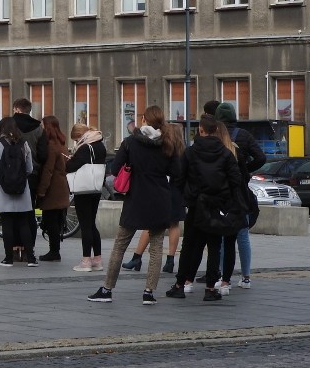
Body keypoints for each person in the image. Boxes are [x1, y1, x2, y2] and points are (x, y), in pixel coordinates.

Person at [87, 106, 183, 304]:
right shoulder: (168, 144)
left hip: (135, 198)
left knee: (120, 246)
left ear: (143, 119)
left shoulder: (130, 142)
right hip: (160, 200)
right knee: (156, 248)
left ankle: (107, 290)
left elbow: (114, 168)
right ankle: (149, 292)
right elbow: (177, 173)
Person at [166, 114, 242, 303]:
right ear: (215, 130)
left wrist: (188, 196)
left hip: (195, 205)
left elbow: (179, 177)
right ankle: (210, 288)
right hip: (216, 205)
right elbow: (235, 180)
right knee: (214, 247)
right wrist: (227, 201)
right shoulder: (225, 153)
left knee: (189, 247)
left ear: (200, 130)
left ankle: (180, 285)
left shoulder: (191, 152)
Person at [214, 102, 265, 293]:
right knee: (242, 234)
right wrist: (246, 172)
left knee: (220, 234)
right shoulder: (244, 135)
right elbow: (261, 158)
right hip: (240, 191)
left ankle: (221, 275)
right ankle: (245, 277)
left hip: (220, 191)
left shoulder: (216, 136)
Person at [0, 117, 34, 266]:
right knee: (24, 222)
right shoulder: (24, 144)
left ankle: (8, 258)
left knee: (7, 223)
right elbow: (30, 168)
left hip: (3, 188)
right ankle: (31, 258)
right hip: (21, 189)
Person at [67, 122, 106, 272]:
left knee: (85, 225)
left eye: (76, 139)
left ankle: (85, 261)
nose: (76, 142)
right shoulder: (100, 145)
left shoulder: (85, 147)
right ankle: (97, 259)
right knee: (91, 224)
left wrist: (69, 160)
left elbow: (71, 167)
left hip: (83, 189)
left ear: (79, 135)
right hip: (96, 188)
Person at [10, 98, 46, 262]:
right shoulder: (38, 128)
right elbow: (43, 154)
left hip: (11, 174)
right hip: (32, 174)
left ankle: (14, 248)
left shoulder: (9, 125)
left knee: (12, 212)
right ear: (28, 110)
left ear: (16, 109)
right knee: (28, 212)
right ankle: (28, 249)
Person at [36, 115, 70, 262]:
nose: (41, 128)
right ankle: (55, 250)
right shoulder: (62, 144)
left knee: (51, 221)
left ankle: (54, 251)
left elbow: (48, 171)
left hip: (53, 190)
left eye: (42, 126)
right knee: (56, 220)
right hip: (62, 187)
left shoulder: (50, 146)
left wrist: (41, 190)